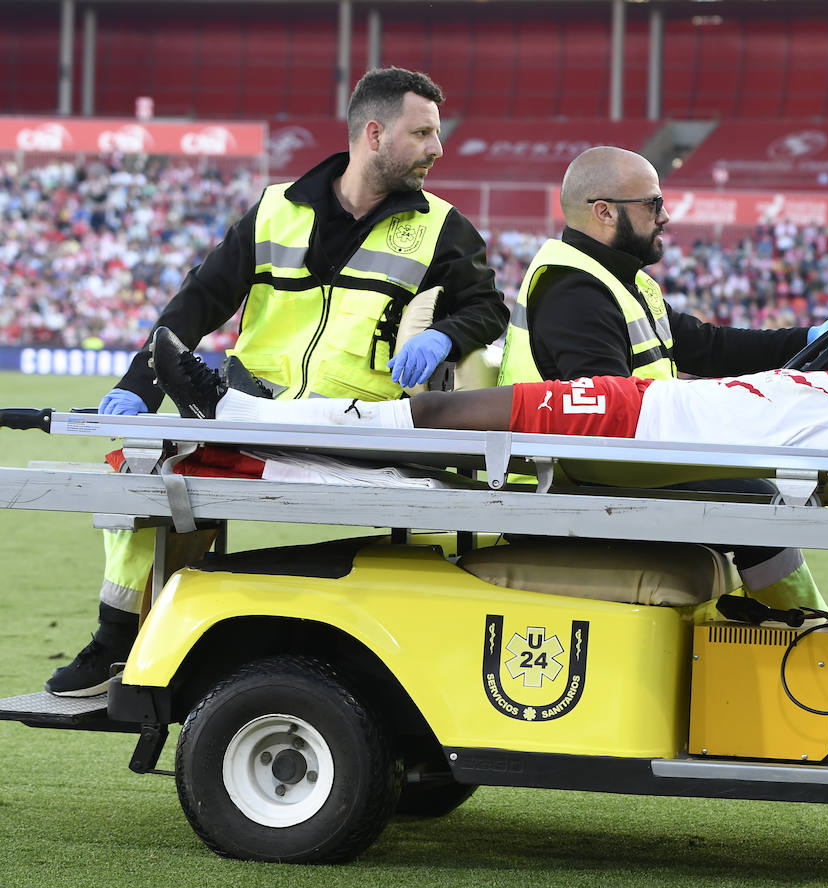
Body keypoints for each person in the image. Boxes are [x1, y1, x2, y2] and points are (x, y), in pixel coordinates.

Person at [46, 66, 510, 697]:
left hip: (355, 432)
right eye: (423, 132)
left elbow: (489, 307)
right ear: (374, 134)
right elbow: (198, 301)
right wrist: (140, 384)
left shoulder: (442, 225)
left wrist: (444, 335)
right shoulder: (272, 210)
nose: (438, 148)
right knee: (142, 468)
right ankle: (114, 642)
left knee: (189, 451)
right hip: (255, 414)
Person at [150, 294, 828, 491]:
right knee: (436, 442)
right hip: (658, 417)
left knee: (436, 421)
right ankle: (251, 416)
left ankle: (240, 418)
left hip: (652, 424)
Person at [499, 145, 828, 613]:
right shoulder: (573, 290)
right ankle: (807, 626)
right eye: (653, 204)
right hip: (569, 483)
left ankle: (784, 629)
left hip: (616, 464)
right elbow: (611, 414)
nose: (666, 216)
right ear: (604, 212)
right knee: (755, 497)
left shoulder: (624, 281)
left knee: (754, 479)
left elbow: (708, 346)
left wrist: (810, 338)